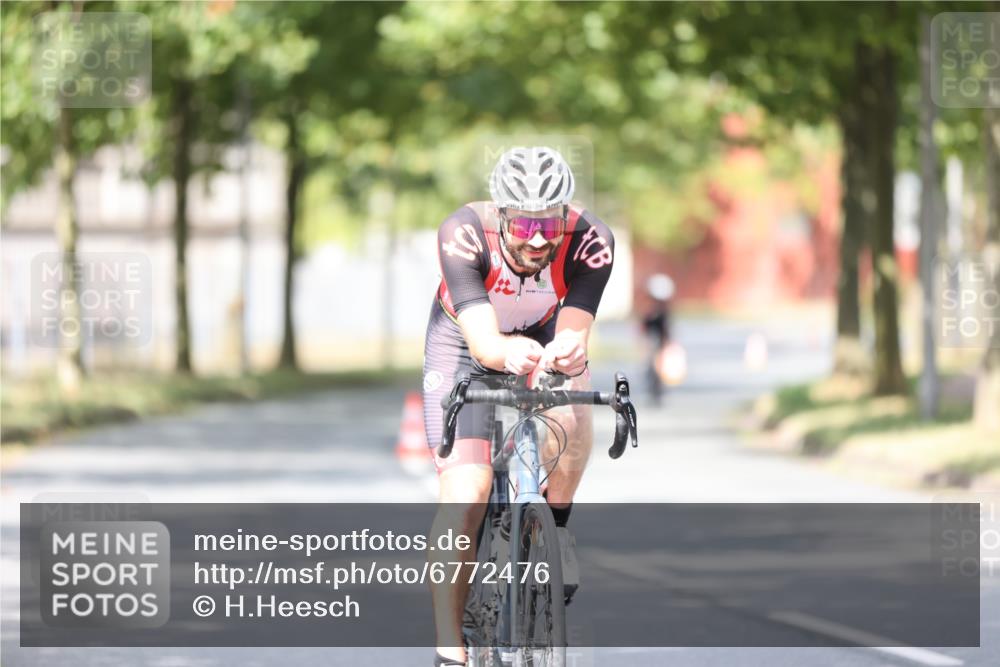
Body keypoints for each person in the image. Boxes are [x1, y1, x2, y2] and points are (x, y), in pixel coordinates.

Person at [422, 146, 615, 666]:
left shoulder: (592, 242)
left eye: (549, 225)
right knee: (468, 492)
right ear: (502, 213)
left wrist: (568, 356)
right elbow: (486, 347)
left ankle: (555, 526)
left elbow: (574, 333)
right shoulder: (463, 233)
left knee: (573, 415)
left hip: (543, 332)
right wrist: (505, 353)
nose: (536, 239)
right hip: (467, 341)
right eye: (525, 223)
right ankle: (449, 646)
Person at [641, 273, 674, 405]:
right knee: (651, 367)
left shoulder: (664, 311)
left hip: (659, 341)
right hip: (652, 340)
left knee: (658, 367)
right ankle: (653, 389)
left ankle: (658, 390)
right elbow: (644, 326)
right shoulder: (651, 310)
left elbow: (666, 328)